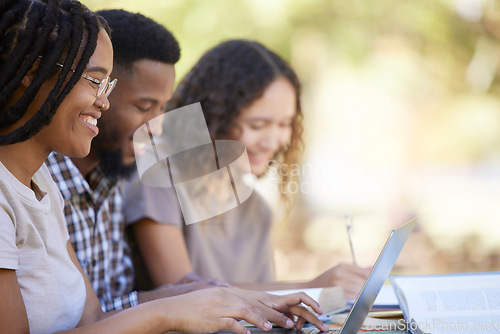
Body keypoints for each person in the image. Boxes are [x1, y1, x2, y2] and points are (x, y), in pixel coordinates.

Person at [0, 1, 330, 333]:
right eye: (95, 82)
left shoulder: (43, 185)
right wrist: (168, 310)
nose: (103, 100)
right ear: (32, 74)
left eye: (107, 87)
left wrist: (198, 297)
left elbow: (93, 318)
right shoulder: (141, 179)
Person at [122, 39, 371, 299]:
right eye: (257, 125)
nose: (273, 141)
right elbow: (183, 297)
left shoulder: (257, 210)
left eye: (285, 124)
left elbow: (265, 312)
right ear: (214, 118)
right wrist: (312, 287)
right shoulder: (158, 186)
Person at [45, 9, 220, 312]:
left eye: (163, 108)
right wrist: (173, 301)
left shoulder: (113, 174)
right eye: (144, 106)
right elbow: (72, 319)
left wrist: (188, 294)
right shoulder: (37, 181)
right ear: (99, 91)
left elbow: (105, 307)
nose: (157, 127)